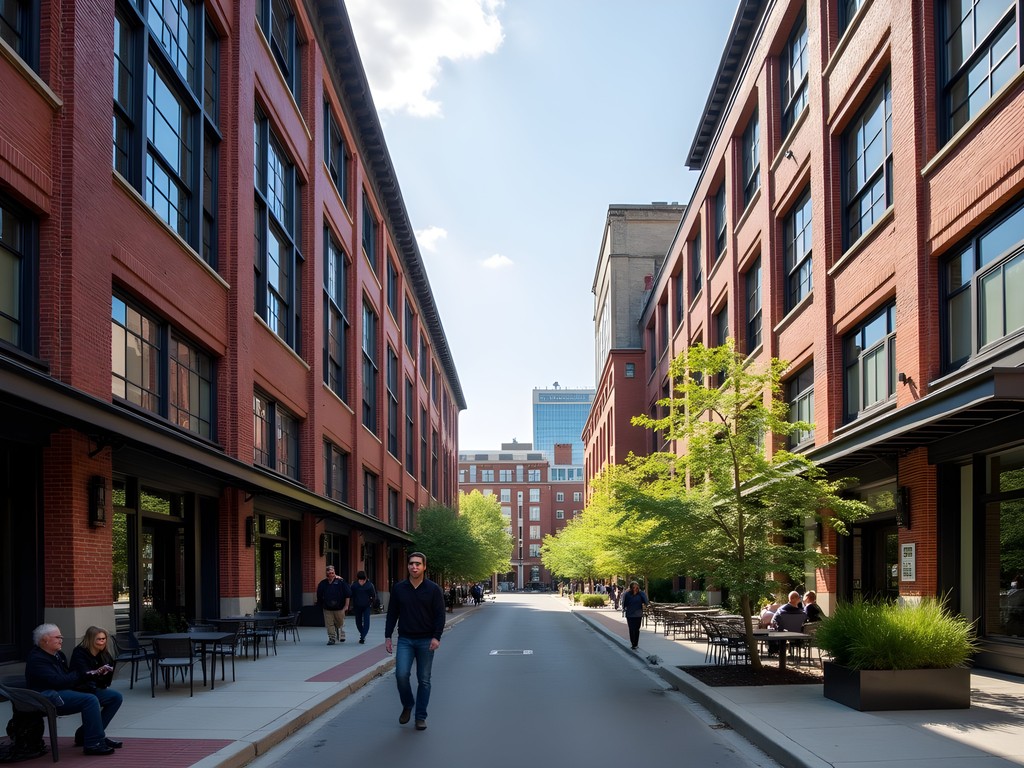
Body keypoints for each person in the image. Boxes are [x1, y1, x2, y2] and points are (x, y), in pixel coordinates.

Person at [24, 624, 122, 756]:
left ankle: (87, 734)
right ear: (44, 640)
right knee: (90, 700)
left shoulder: (58, 655)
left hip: (64, 690)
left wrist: (92, 674)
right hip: (48, 696)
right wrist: (81, 674)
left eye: (61, 637)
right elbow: (58, 681)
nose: (61, 640)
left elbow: (67, 678)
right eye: (58, 637)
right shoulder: (37, 659)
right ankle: (94, 743)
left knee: (115, 697)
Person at [384, 551, 446, 731]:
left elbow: (440, 615)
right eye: (411, 563)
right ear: (408, 566)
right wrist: (388, 636)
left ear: (424, 567)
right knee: (401, 675)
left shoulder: (433, 589)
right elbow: (392, 614)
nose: (414, 567)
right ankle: (408, 704)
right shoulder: (399, 588)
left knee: (424, 680)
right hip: (405, 639)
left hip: (426, 640)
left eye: (418, 564)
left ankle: (420, 717)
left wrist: (436, 637)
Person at [316, 565, 351, 645]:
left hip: (339, 608)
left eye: (332, 573)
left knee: (340, 623)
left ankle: (340, 631)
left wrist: (346, 606)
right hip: (327, 608)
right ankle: (332, 638)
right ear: (326, 574)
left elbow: (348, 594)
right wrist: (320, 605)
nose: (331, 575)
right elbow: (319, 595)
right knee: (329, 624)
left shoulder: (341, 582)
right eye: (329, 573)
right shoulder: (322, 583)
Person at [349, 569, 377, 644]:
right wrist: (350, 605)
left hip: (366, 606)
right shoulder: (354, 585)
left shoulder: (369, 585)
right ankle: (362, 633)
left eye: (363, 580)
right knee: (358, 622)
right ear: (358, 579)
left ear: (365, 579)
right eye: (360, 580)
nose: (361, 581)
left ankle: (362, 637)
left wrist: (372, 603)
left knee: (366, 621)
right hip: (357, 606)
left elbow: (373, 595)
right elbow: (350, 595)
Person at [621, 581, 648, 650]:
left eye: (636, 587)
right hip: (630, 614)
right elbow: (624, 603)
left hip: (638, 614)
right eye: (634, 587)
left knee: (636, 629)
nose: (635, 589)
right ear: (631, 588)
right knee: (631, 629)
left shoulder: (641, 594)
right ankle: (633, 643)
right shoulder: (628, 594)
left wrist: (642, 594)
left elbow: (646, 601)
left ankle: (635, 643)